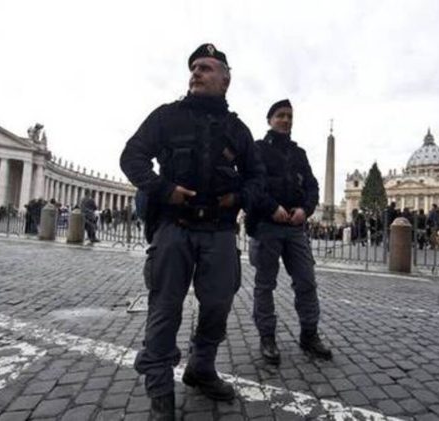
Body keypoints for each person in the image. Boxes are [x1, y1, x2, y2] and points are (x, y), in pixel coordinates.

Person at [119, 43, 265, 419]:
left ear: (225, 78)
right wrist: (164, 189)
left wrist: (238, 197)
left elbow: (257, 177)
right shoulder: (167, 116)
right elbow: (132, 156)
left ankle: (201, 368)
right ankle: (160, 395)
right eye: (194, 67)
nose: (196, 72)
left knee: (217, 306)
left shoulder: (238, 130)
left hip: (218, 230)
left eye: (206, 67)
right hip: (174, 228)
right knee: (164, 310)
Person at [246, 99, 332, 365]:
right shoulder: (257, 149)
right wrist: (272, 208)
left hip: (295, 227)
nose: (286, 120)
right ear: (270, 119)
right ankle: (267, 337)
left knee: (306, 281)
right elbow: (251, 184)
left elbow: (313, 187)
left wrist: (305, 210)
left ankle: (309, 333)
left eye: (290, 117)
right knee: (265, 285)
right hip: (267, 225)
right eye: (281, 115)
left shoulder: (299, 153)